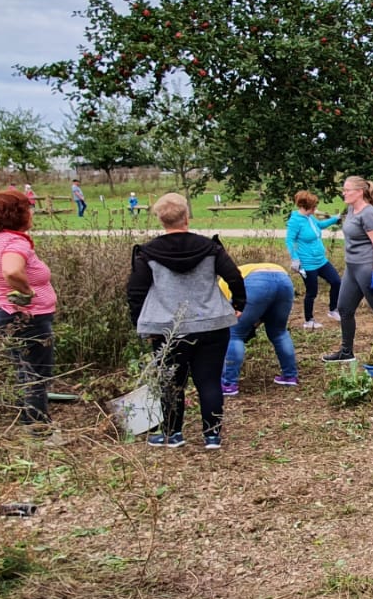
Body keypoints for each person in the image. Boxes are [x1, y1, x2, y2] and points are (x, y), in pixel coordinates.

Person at [127, 192, 245, 449]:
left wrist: (140, 323)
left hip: (167, 328)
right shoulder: (211, 248)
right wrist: (238, 304)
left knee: (171, 381)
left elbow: (135, 290)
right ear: (186, 218)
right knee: (210, 381)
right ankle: (212, 436)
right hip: (212, 323)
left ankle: (172, 434)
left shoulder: (147, 253)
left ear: (160, 220)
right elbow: (234, 276)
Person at [0, 188, 59, 430]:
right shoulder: (14, 242)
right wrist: (27, 293)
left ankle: (26, 420)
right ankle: (39, 429)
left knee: (23, 369)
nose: (31, 213)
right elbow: (11, 270)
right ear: (20, 214)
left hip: (0, 312)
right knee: (37, 374)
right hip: (26, 316)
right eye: (28, 209)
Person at [321, 175, 373, 363]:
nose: (343, 193)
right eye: (343, 190)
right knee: (344, 309)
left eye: (347, 190)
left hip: (369, 267)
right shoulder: (351, 210)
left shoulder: (369, 214)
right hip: (352, 268)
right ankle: (346, 352)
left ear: (359, 192)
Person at [221, 259, 301, 394]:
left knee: (234, 333)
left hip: (256, 282)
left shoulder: (221, 286)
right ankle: (290, 376)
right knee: (279, 332)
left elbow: (224, 321)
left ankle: (228, 384)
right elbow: (261, 314)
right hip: (283, 278)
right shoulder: (240, 270)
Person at [284, 189, 343, 328]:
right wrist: (295, 259)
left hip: (320, 261)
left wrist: (335, 219)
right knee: (312, 292)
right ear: (305, 206)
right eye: (313, 206)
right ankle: (308, 321)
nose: (315, 209)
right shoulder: (295, 221)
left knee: (336, 281)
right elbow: (289, 241)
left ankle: (333, 310)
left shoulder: (310, 217)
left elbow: (319, 225)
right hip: (307, 263)